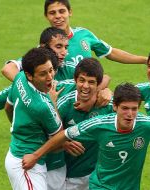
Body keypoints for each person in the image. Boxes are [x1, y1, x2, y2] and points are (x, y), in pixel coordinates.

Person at [22, 83, 150, 190]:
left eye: (134, 109)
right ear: (115, 106)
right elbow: (64, 134)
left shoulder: (147, 126)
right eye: (124, 108)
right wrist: (35, 155)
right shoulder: (99, 125)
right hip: (101, 186)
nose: (130, 114)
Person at [1, 0, 147, 82]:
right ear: (46, 16)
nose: (58, 16)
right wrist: (29, 88)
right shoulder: (43, 49)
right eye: (52, 13)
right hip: (63, 105)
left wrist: (146, 60)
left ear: (70, 12)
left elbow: (111, 52)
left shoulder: (84, 35)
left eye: (62, 11)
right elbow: (10, 69)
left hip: (89, 99)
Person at [5, 47, 62, 190]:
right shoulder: (43, 106)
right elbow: (59, 139)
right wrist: (53, 103)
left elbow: (8, 106)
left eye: (51, 70)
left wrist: (17, 127)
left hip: (16, 151)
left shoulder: (19, 78)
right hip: (27, 165)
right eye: (43, 74)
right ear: (30, 75)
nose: (50, 77)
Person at [55, 57, 114, 190]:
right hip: (69, 175)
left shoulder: (107, 104)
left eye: (91, 82)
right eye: (82, 80)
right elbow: (48, 132)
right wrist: (63, 143)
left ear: (98, 84)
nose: (85, 86)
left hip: (97, 177)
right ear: (75, 80)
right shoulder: (65, 102)